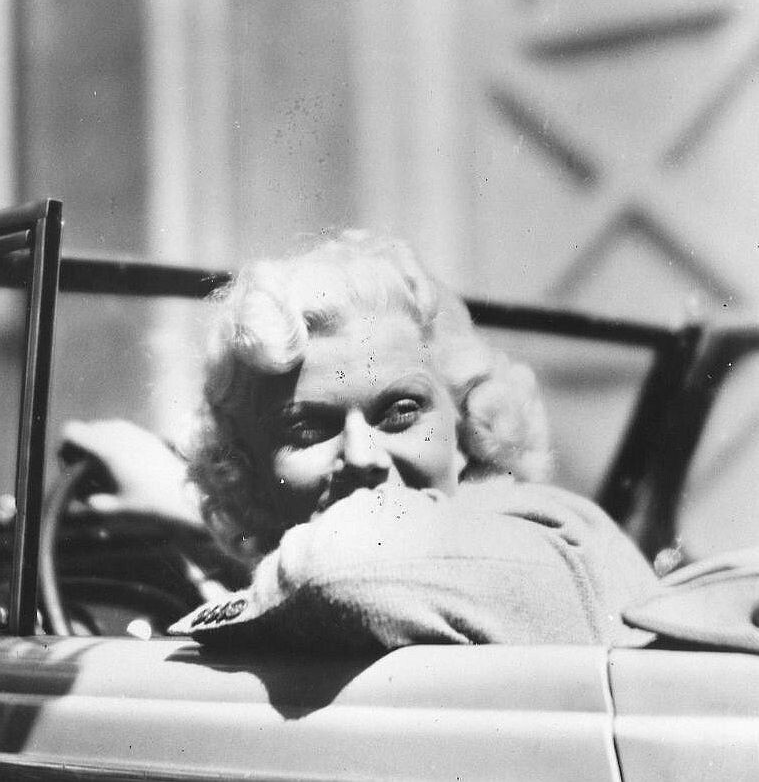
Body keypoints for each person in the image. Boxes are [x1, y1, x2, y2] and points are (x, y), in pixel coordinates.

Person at [65, 231, 656, 651]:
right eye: (307, 429)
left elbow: (341, 573)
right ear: (250, 477)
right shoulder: (430, 574)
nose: (363, 457)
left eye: (400, 413)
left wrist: (187, 507)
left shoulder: (554, 534)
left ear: (467, 428)